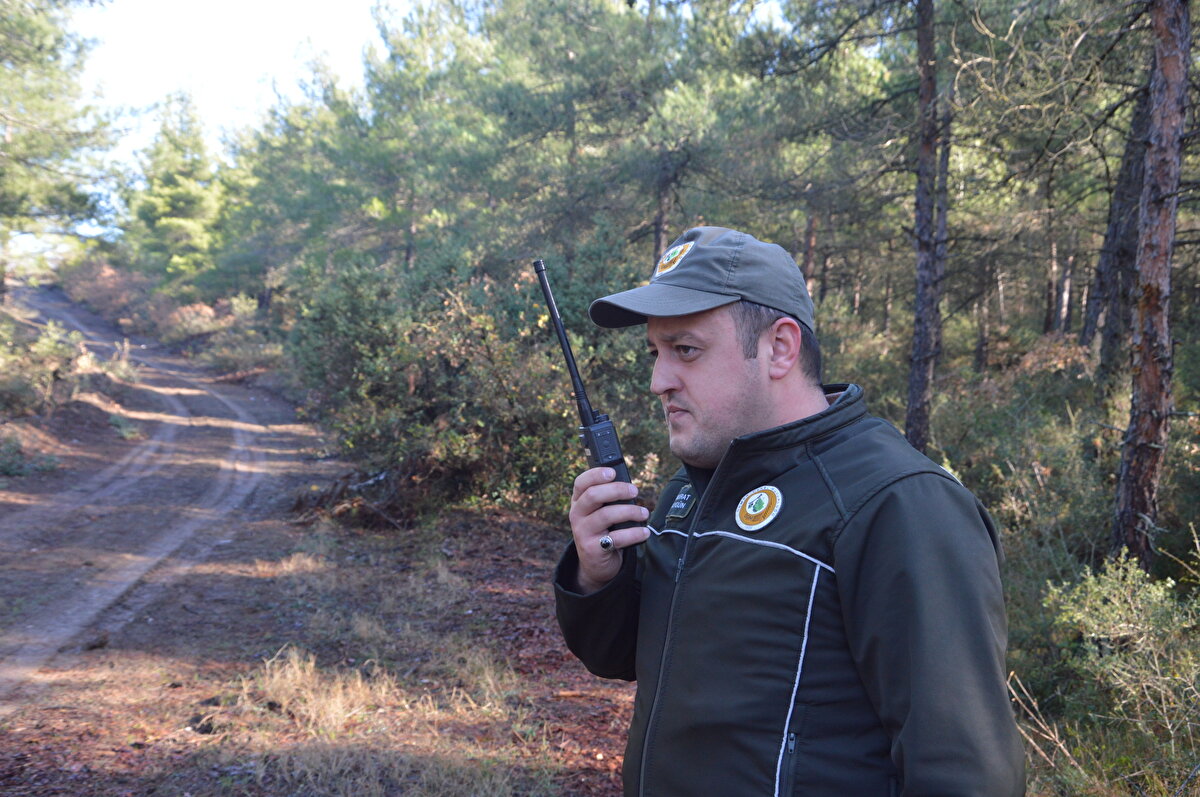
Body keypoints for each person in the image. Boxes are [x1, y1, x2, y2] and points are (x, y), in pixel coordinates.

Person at [553, 226, 1025, 796]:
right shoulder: (698, 487)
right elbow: (634, 658)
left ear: (780, 347)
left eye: (686, 350)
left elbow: (963, 771)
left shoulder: (898, 502)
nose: (659, 380)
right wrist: (598, 576)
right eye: (655, 352)